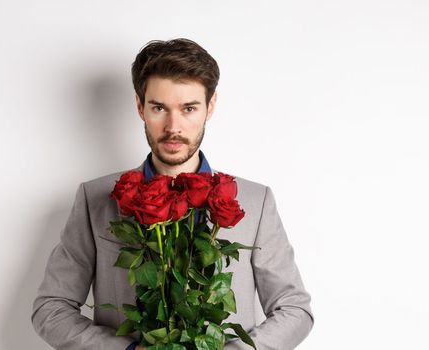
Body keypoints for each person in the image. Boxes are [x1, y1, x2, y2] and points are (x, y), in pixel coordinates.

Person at [31, 38, 313, 350]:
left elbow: (294, 309)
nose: (173, 126)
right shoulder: (95, 198)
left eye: (189, 108)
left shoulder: (256, 201)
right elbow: (51, 309)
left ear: (211, 106)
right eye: (159, 108)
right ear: (140, 107)